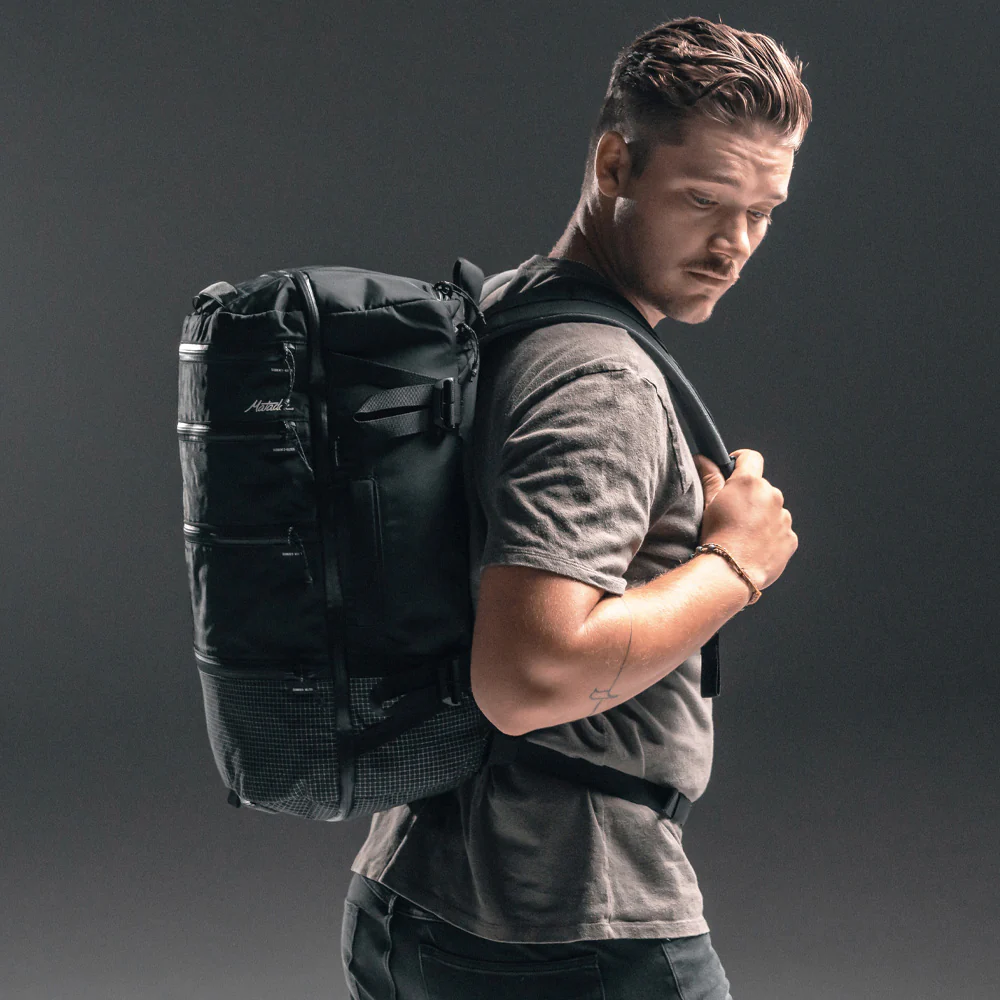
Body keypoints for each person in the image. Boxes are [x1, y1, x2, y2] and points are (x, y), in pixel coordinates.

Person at [342, 15, 810, 1000]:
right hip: (565, 919)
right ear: (613, 164)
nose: (734, 245)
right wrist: (738, 564)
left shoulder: (508, 310)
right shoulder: (597, 377)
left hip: (413, 889)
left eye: (763, 211)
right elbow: (527, 676)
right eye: (703, 200)